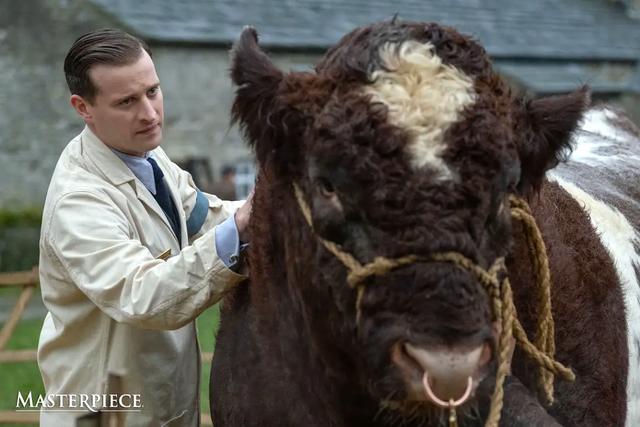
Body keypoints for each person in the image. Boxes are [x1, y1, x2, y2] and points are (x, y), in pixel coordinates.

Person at [37, 28, 252, 426]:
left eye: (152, 91)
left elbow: (205, 218)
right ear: (83, 107)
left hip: (160, 407)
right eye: (126, 102)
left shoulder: (146, 157)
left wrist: (284, 208)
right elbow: (145, 296)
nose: (149, 113)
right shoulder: (79, 201)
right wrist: (242, 230)